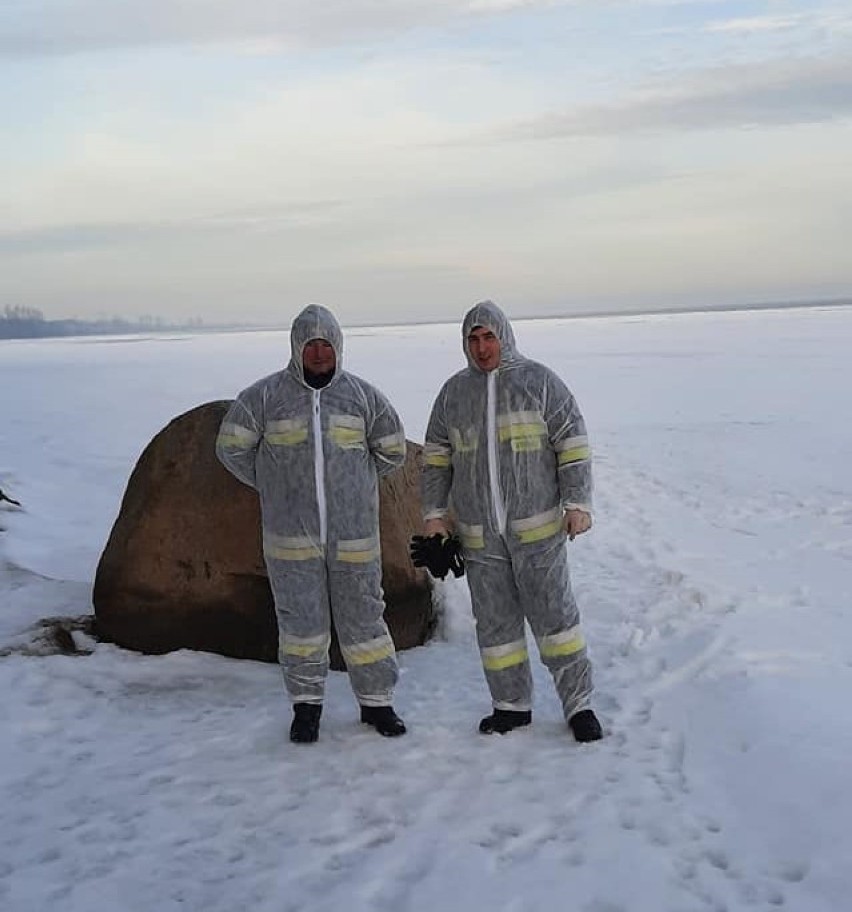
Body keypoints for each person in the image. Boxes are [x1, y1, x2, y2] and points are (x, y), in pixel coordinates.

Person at [216, 303, 408, 743]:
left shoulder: (364, 398)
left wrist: (354, 485)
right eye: (310, 345)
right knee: (301, 628)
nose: (319, 353)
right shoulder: (264, 397)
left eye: (326, 344)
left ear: (338, 347)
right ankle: (307, 709)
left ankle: (378, 703)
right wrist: (273, 484)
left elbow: (392, 450)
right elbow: (231, 449)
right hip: (291, 541)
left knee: (366, 622)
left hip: (354, 539)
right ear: (296, 348)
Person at [419, 300, 603, 742]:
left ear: (504, 336)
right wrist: (434, 515)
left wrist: (578, 503)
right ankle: (511, 705)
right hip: (481, 539)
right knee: (496, 627)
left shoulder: (539, 383)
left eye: (489, 337)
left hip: (538, 532)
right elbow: (436, 459)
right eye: (474, 340)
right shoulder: (453, 394)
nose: (482, 348)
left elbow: (572, 444)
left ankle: (579, 704)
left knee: (556, 621)